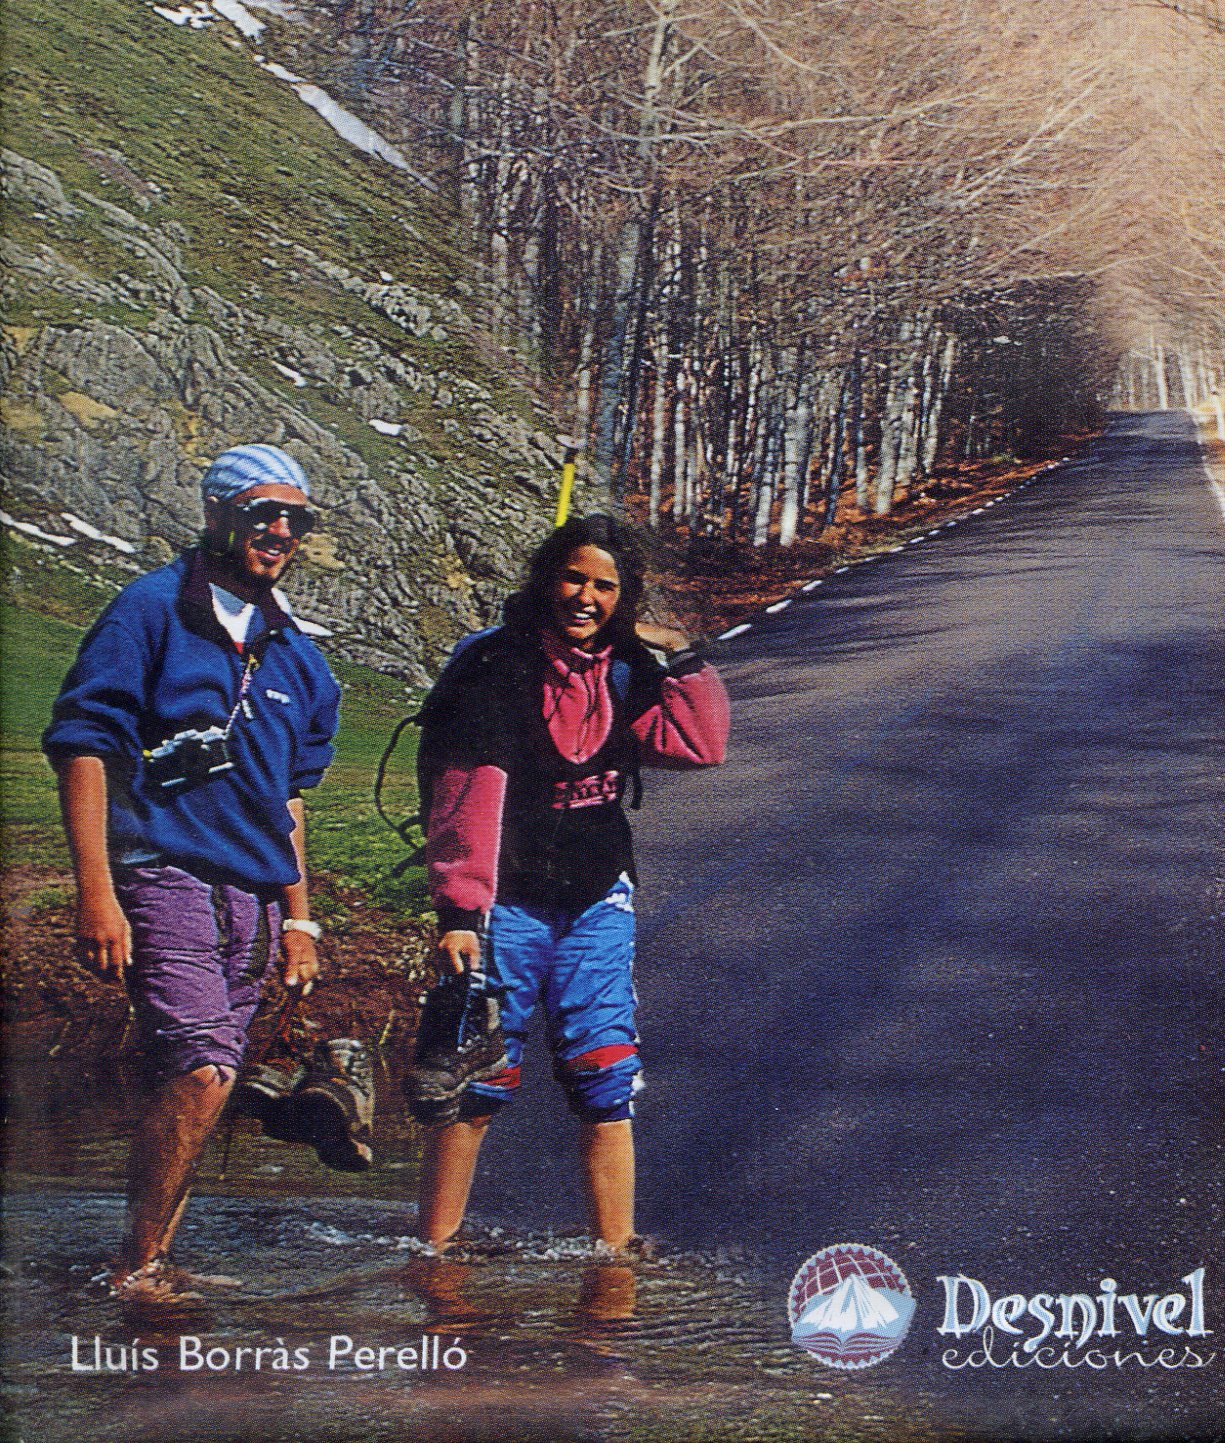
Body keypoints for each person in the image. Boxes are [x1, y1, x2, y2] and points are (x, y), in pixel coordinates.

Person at [43, 443, 341, 1308]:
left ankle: (152, 1256)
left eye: (295, 519)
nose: (279, 531)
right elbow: (83, 747)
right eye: (260, 513)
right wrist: (95, 892)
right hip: (159, 873)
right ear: (217, 516)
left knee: (209, 1074)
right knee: (206, 1065)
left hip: (252, 897)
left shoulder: (298, 657)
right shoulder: (149, 610)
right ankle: (132, 1268)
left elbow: (290, 799)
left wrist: (301, 920)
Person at [415, 512, 729, 1254]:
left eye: (604, 586)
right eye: (573, 577)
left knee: (604, 1074)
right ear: (545, 578)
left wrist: (679, 652)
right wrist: (460, 910)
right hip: (505, 901)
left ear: (623, 597)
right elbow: (469, 793)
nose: (585, 597)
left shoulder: (624, 671)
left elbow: (700, 743)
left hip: (595, 895)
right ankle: (433, 1254)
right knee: (476, 1079)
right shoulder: (494, 667)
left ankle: (613, 1258)